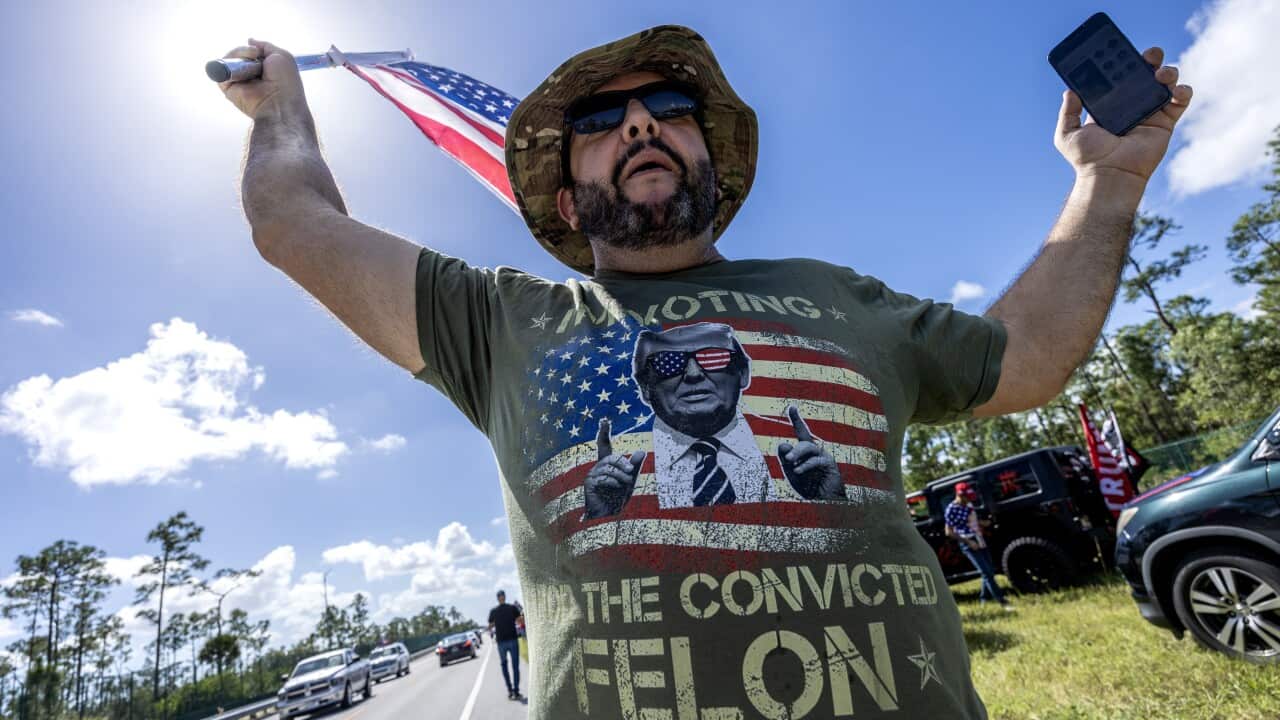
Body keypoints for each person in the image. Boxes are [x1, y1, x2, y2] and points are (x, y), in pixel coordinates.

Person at [219, 23, 1192, 719]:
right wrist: (281, 108)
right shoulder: (497, 323)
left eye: (671, 108)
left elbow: (1024, 362)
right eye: (601, 119)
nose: (641, 123)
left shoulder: (835, 296)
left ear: (713, 167)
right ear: (567, 200)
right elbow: (293, 223)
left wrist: (1106, 181)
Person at [583, 322, 842, 517]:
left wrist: (832, 501)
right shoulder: (618, 464)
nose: (693, 373)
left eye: (713, 357)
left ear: (743, 372)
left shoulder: (801, 452)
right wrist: (600, 517)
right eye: (668, 362)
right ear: (645, 388)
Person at [944, 482, 1012, 610]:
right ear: (960, 495)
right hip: (968, 543)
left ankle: (984, 600)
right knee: (986, 572)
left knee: (989, 571)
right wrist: (968, 542)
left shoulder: (969, 505)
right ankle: (1002, 602)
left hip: (979, 539)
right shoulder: (951, 509)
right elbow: (949, 532)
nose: (970, 499)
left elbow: (972, 522)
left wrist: (983, 523)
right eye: (968, 497)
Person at [487, 590, 523, 700]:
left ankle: (510, 690)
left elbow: (490, 626)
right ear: (504, 597)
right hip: (512, 640)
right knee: (515, 666)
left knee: (504, 665)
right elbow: (520, 621)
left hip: (501, 642)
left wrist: (496, 624)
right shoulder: (512, 608)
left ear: (498, 598)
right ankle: (516, 691)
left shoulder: (494, 611)